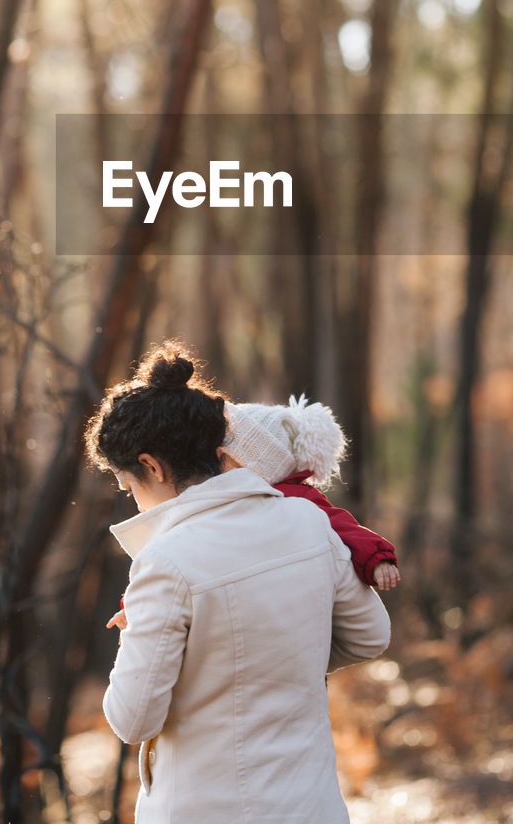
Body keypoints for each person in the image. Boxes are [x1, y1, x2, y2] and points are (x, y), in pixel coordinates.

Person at [84, 341, 391, 824]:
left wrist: (137, 629)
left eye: (130, 488)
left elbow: (131, 718)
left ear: (152, 466)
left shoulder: (164, 562)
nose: (134, 502)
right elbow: (371, 635)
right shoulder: (307, 521)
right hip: (312, 809)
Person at [221, 396, 400, 591]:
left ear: (257, 461)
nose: (218, 461)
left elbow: (343, 527)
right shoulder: (229, 489)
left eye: (225, 456)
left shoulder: (296, 496)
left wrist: (376, 558)